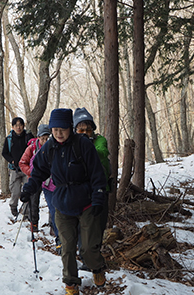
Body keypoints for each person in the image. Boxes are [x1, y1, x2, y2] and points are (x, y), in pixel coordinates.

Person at [20, 108, 107, 295]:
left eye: (62, 129)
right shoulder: (48, 148)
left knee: (87, 250)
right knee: (67, 248)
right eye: (55, 129)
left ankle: (97, 268)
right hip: (62, 205)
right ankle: (71, 283)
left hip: (86, 203)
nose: (58, 133)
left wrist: (99, 197)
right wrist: (28, 189)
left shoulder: (83, 145)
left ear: (70, 127)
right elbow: (38, 173)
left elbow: (97, 174)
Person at [73, 107, 111, 271]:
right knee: (82, 227)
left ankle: (94, 258)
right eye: (80, 129)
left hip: (101, 190)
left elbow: (102, 152)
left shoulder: (99, 141)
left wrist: (87, 148)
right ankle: (85, 258)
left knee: (98, 226)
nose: (85, 132)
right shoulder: (72, 144)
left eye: (88, 129)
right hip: (81, 192)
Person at [19, 124, 52, 232]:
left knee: (52, 203)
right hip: (35, 179)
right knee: (33, 202)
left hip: (49, 180)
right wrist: (32, 172)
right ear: (38, 137)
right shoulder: (31, 148)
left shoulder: (53, 147)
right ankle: (34, 224)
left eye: (47, 138)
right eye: (43, 138)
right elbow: (22, 163)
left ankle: (53, 226)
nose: (45, 140)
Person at [2, 117, 34, 217]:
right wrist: (12, 160)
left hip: (27, 168)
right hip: (14, 169)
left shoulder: (28, 136)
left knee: (27, 191)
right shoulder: (9, 139)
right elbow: (4, 153)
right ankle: (13, 207)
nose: (18, 127)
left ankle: (26, 212)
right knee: (15, 192)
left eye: (20, 125)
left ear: (23, 126)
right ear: (12, 127)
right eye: (16, 125)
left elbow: (34, 147)